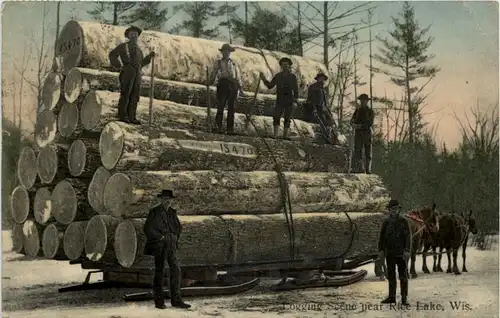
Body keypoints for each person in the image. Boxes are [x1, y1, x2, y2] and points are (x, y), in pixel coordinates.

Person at [144, 190, 191, 309]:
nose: (167, 201)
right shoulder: (154, 212)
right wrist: (160, 237)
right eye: (165, 199)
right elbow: (148, 229)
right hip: (159, 246)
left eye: (169, 199)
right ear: (160, 200)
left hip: (171, 245)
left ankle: (176, 300)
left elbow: (179, 227)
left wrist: (175, 237)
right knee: (159, 272)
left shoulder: (172, 212)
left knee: (176, 270)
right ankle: (159, 302)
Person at [109, 26, 155, 124]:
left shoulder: (139, 50)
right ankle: (123, 115)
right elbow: (112, 54)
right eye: (132, 33)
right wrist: (118, 65)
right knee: (126, 94)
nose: (134, 35)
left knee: (135, 95)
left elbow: (141, 63)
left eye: (136, 34)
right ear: (128, 35)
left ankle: (132, 116)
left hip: (137, 73)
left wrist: (149, 57)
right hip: (127, 72)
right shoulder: (123, 46)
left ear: (138, 36)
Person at [378, 199, 411, 305]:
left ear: (398, 210)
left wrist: (407, 250)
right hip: (390, 253)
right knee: (391, 276)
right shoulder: (386, 222)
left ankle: (404, 298)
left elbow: (408, 237)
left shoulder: (404, 221)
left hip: (401, 253)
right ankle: (391, 297)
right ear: (389, 210)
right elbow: (382, 238)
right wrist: (381, 250)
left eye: (396, 209)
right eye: (392, 209)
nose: (394, 211)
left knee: (403, 276)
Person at [259, 57, 299, 140]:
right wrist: (263, 79)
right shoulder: (278, 76)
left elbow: (296, 90)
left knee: (287, 118)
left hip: (289, 100)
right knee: (276, 116)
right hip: (280, 99)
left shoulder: (292, 77)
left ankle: (285, 135)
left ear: (289, 66)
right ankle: (275, 135)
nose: (285, 67)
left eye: (286, 65)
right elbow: (270, 86)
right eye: (283, 65)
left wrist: (295, 100)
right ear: (281, 66)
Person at [210, 43, 243, 135]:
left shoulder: (233, 62)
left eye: (228, 51)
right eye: (224, 51)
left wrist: (240, 86)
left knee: (231, 107)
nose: (226, 53)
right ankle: (218, 126)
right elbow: (213, 73)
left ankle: (230, 129)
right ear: (222, 52)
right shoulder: (219, 62)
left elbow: (238, 75)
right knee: (221, 105)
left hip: (233, 84)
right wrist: (210, 81)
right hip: (223, 83)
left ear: (230, 52)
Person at [305, 71, 337, 143]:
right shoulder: (313, 87)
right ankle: (326, 138)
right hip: (316, 108)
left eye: (323, 79)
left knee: (331, 121)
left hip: (323, 108)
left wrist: (328, 111)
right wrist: (314, 109)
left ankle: (332, 136)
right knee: (322, 121)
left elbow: (324, 102)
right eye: (320, 78)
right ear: (318, 79)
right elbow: (310, 99)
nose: (322, 80)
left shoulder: (323, 88)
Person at [350, 94, 375, 173]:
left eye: (364, 100)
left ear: (367, 101)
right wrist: (352, 124)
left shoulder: (370, 111)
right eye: (361, 100)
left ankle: (368, 169)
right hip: (358, 133)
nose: (363, 102)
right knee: (358, 151)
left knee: (368, 151)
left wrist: (360, 126)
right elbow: (352, 120)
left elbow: (370, 123)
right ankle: (359, 168)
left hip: (367, 133)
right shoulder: (357, 111)